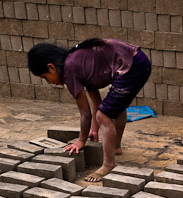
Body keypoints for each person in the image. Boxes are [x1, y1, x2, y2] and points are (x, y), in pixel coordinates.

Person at [27, 38, 152, 181]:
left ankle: (108, 165)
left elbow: (85, 114)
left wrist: (81, 140)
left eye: (45, 77)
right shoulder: (78, 61)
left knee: (104, 115)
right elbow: (96, 102)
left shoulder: (70, 72)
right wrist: (94, 130)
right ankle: (115, 147)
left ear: (51, 67)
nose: (49, 82)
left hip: (131, 66)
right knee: (114, 108)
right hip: (137, 60)